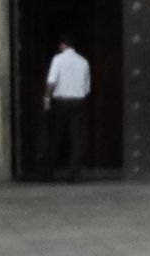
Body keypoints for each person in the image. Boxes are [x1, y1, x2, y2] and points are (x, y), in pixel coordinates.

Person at [43, 35, 91, 182]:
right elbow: (87, 87)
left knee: (56, 136)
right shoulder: (83, 61)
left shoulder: (58, 60)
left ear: (63, 45)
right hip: (78, 102)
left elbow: (51, 81)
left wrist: (46, 99)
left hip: (61, 102)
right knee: (76, 139)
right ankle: (75, 173)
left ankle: (48, 171)